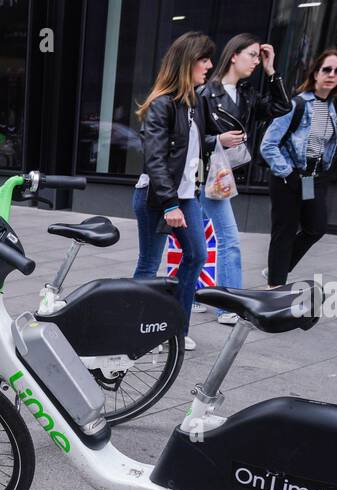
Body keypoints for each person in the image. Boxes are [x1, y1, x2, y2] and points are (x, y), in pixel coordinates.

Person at [197, 34, 289, 325]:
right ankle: (228, 306)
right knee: (229, 239)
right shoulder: (205, 93)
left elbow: (282, 107)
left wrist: (272, 71)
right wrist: (217, 140)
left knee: (194, 240)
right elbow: (190, 138)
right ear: (233, 55)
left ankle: (193, 293)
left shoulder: (247, 94)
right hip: (206, 175)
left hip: (225, 175)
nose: (255, 62)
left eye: (257, 57)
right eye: (251, 55)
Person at [132, 31, 215, 351]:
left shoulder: (195, 102)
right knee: (149, 263)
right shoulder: (162, 105)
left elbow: (190, 147)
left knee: (196, 255)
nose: (208, 65)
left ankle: (174, 328)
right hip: (158, 197)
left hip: (185, 195)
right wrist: (169, 204)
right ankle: (138, 327)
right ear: (186, 62)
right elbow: (155, 158)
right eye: (203, 59)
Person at [260, 49, 337, 287]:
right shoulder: (296, 104)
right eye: (326, 69)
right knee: (284, 232)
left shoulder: (330, 107)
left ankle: (277, 269)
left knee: (315, 228)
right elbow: (268, 145)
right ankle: (276, 286)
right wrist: (287, 172)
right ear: (315, 73)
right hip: (287, 176)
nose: (331, 75)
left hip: (312, 178)